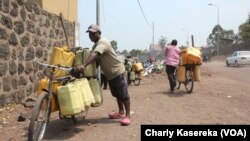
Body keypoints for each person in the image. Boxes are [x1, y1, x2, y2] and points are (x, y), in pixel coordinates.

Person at [76, 24, 131, 126]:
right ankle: (121, 112)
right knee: (117, 94)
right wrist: (90, 74)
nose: (91, 36)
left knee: (124, 95)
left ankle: (128, 116)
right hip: (110, 74)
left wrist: (83, 65)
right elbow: (96, 62)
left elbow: (95, 55)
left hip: (117, 71)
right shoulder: (95, 46)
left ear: (99, 33)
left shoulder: (102, 43)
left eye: (93, 33)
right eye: (89, 34)